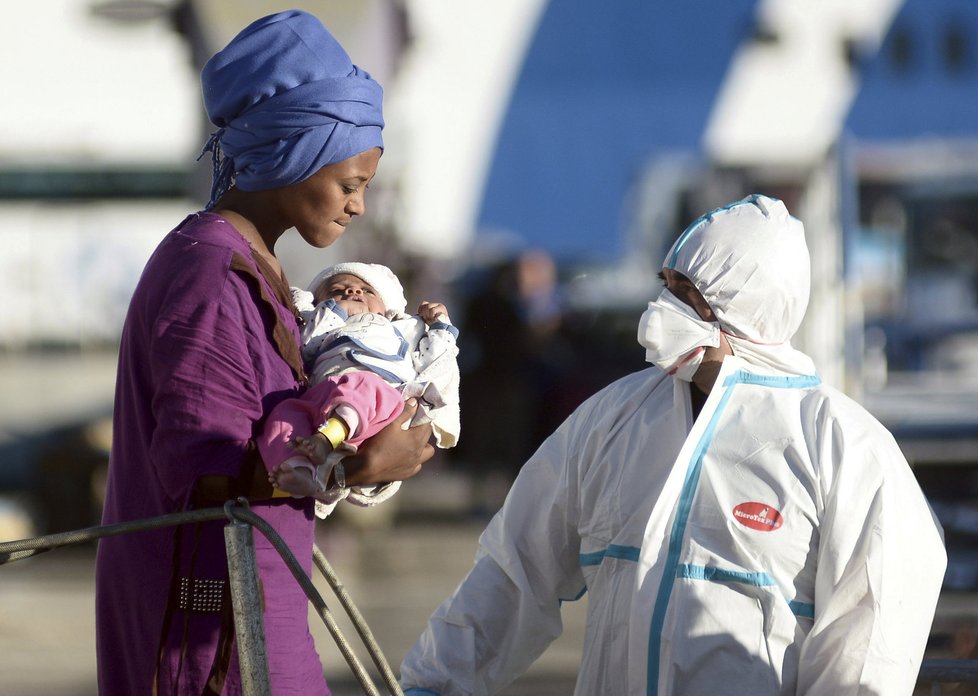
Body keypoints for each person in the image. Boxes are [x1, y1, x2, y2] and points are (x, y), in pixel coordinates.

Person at [399, 194, 948, 695]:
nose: (664, 304)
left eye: (689, 293)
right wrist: (433, 682)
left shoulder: (845, 447)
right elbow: (514, 571)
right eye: (668, 284)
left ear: (745, 307)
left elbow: (870, 641)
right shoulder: (611, 419)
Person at [95, 10, 434, 696]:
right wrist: (359, 467)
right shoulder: (212, 273)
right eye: (350, 183)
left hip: (256, 610)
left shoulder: (260, 271)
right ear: (293, 152)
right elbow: (204, 474)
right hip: (205, 639)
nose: (358, 208)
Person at [257, 261, 459, 516]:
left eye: (366, 290)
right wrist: (336, 312)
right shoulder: (320, 323)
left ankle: (327, 438)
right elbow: (305, 347)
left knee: (361, 386)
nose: (352, 293)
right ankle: (298, 471)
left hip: (380, 399)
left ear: (387, 308)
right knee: (286, 412)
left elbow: (435, 360)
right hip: (324, 396)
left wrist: (440, 326)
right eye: (337, 291)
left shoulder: (400, 329)